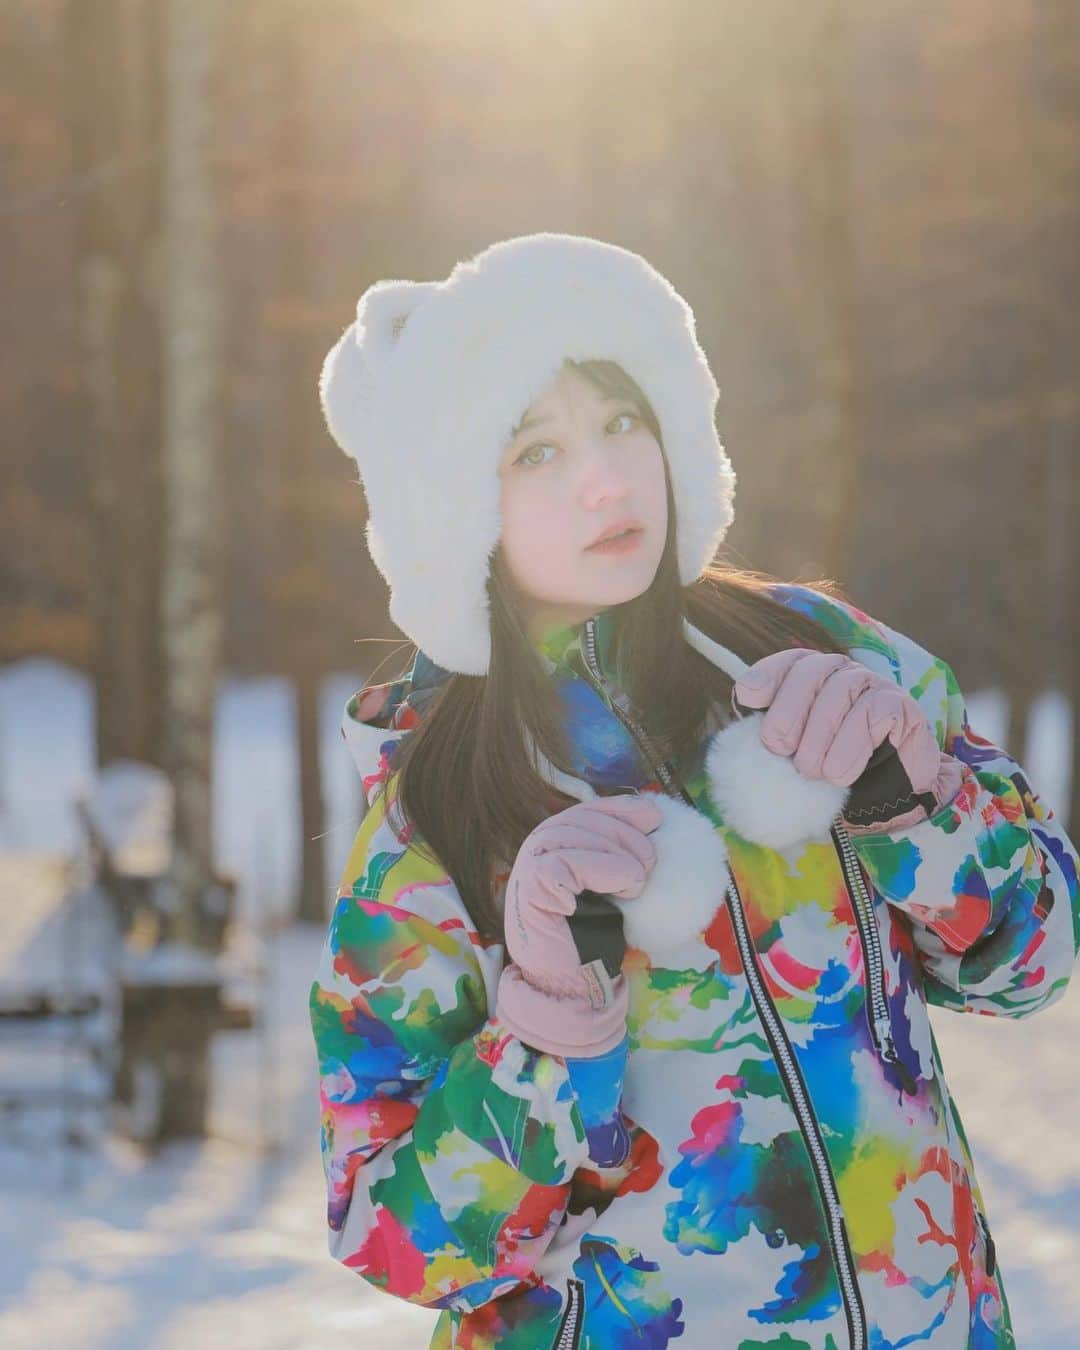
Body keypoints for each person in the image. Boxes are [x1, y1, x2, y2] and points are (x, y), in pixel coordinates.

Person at [308, 232, 1079, 1349]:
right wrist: (545, 1028)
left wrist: (918, 809)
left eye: (623, 421)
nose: (608, 478)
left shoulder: (824, 661)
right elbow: (402, 1241)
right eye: (535, 452)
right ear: (456, 509)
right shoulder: (439, 810)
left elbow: (1036, 963)